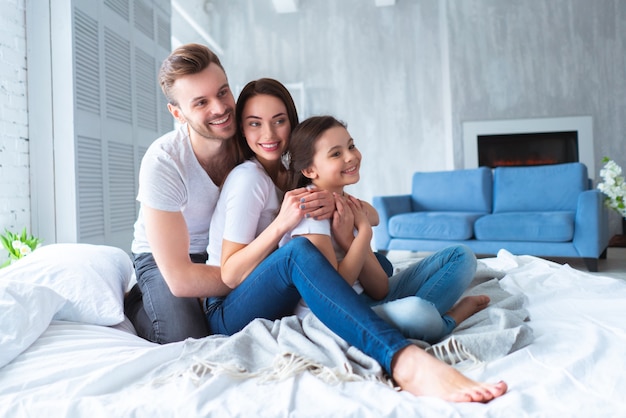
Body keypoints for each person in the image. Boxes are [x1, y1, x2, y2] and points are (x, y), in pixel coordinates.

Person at [205, 78, 507, 402]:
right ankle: (415, 348)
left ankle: (423, 324)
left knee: (448, 258)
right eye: (255, 124)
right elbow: (233, 274)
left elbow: (372, 229)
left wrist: (355, 223)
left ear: (292, 124)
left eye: (279, 121)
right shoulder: (256, 181)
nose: (269, 134)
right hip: (242, 303)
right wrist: (296, 225)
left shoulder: (296, 179)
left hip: (337, 285)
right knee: (416, 311)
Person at [125, 44, 331, 344]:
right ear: (177, 113)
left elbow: (290, 173)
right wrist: (252, 277)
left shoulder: (249, 136)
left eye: (222, 92)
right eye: (201, 103)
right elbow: (181, 278)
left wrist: (323, 196)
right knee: (186, 337)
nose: (220, 109)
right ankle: (139, 301)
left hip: (227, 251)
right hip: (169, 260)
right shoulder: (164, 162)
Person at [283, 115, 490, 343]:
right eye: (336, 153)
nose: (351, 156)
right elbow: (334, 295)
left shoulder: (342, 201)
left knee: (462, 256)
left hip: (366, 299)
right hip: (338, 315)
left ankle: (420, 315)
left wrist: (352, 239)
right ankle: (447, 320)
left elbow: (380, 288)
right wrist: (363, 235)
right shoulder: (313, 213)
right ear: (310, 170)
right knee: (417, 313)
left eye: (351, 146)